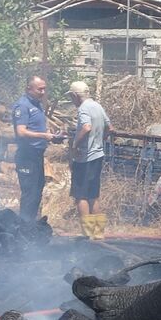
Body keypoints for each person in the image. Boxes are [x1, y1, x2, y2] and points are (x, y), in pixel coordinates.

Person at [12, 75, 60, 220]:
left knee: (37, 190)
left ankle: (31, 224)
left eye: (44, 89)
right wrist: (43, 136)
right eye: (40, 89)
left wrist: (50, 134)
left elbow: (37, 127)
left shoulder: (37, 104)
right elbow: (21, 131)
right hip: (27, 155)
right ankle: (24, 227)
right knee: (29, 193)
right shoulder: (22, 106)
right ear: (29, 89)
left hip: (37, 155)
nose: (43, 92)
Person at [68, 81, 109, 238]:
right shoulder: (98, 106)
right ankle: (98, 235)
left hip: (85, 159)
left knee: (81, 196)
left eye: (72, 97)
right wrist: (99, 141)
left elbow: (86, 127)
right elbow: (109, 127)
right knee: (93, 196)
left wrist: (75, 144)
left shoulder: (83, 108)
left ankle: (87, 235)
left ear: (75, 96)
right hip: (98, 156)